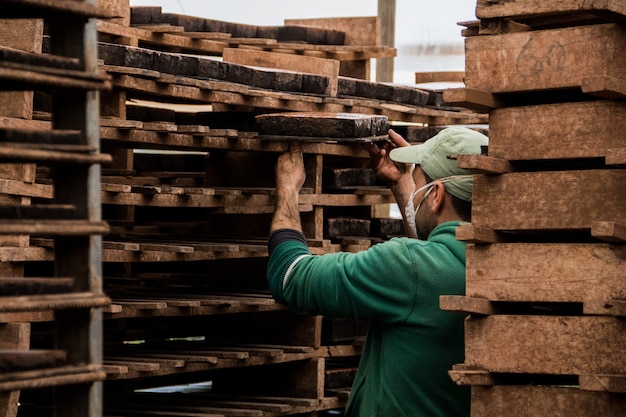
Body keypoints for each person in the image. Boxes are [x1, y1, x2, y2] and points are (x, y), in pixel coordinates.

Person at [267, 127, 488, 417]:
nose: (416, 190)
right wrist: (403, 183)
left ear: (436, 195)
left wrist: (288, 190)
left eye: (420, 182)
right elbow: (433, 259)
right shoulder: (502, 267)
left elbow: (290, 277)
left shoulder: (404, 266)